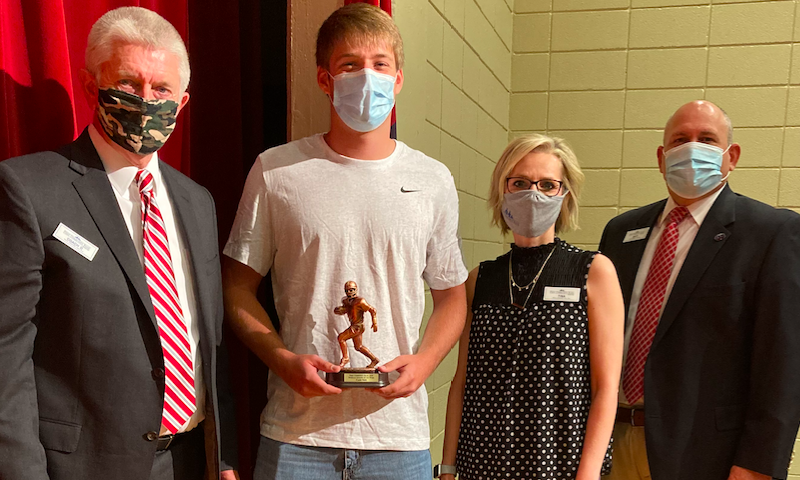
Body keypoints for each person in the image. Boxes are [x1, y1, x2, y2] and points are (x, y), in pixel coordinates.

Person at [222, 4, 468, 480]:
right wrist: (281, 359)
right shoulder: (276, 171)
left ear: (398, 80)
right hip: (296, 438)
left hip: (396, 440)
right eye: (350, 64)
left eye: (380, 64)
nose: (367, 76)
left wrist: (424, 363)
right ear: (324, 78)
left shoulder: (432, 179)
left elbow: (452, 298)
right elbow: (236, 288)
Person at [0, 7, 238, 480]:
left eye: (161, 90)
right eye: (129, 84)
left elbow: (207, 338)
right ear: (92, 86)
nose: (147, 101)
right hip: (84, 466)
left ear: (183, 101)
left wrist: (223, 458)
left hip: (191, 459)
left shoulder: (197, 201)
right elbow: (6, 354)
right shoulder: (28, 188)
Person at [599, 100, 800, 480]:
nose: (692, 149)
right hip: (612, 440)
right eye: (680, 140)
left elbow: (784, 361)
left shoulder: (772, 232)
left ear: (731, 155)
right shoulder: (620, 232)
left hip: (706, 453)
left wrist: (759, 464)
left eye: (706, 139)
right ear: (662, 157)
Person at [438, 134, 624, 480]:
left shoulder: (593, 272)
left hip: (558, 463)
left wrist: (588, 474)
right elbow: (462, 382)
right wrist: (448, 468)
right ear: (503, 190)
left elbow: (605, 388)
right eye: (520, 182)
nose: (532, 193)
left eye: (547, 185)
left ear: (564, 195)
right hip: (483, 463)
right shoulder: (481, 278)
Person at [334, 281, 379, 368]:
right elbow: (347, 310)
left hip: (357, 326)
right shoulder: (346, 301)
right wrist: (340, 310)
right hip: (355, 325)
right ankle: (374, 359)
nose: (349, 292)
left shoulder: (360, 301)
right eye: (347, 290)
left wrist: (375, 322)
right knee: (358, 347)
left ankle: (345, 358)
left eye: (351, 290)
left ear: (356, 289)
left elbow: (372, 310)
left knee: (341, 338)